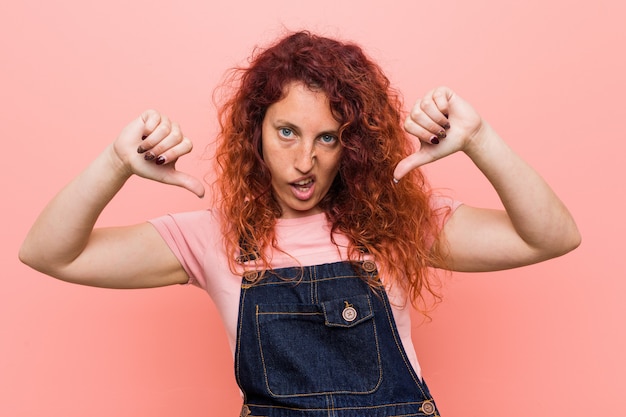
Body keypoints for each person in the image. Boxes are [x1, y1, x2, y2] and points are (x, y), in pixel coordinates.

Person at [19, 31, 580, 416]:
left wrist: (480, 140)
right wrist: (116, 163)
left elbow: (551, 236)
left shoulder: (396, 226)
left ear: (351, 146)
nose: (305, 160)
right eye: (287, 131)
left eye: (327, 137)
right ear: (255, 132)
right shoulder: (214, 239)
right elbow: (50, 253)